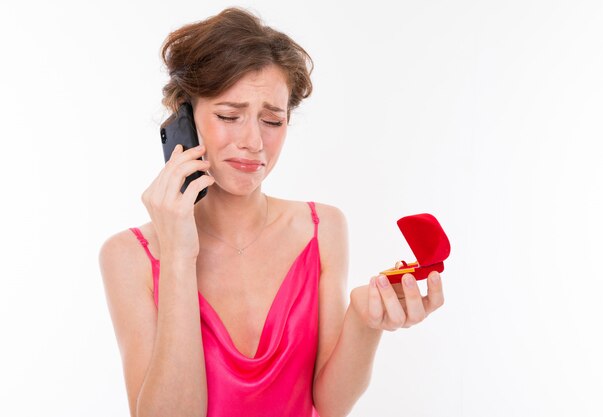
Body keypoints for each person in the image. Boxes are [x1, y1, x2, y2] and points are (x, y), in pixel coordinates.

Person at [99, 7, 444, 417]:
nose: (253, 143)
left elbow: (330, 404)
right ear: (183, 121)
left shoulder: (323, 227)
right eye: (229, 116)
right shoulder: (129, 256)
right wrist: (177, 254)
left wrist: (364, 322)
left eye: (272, 120)